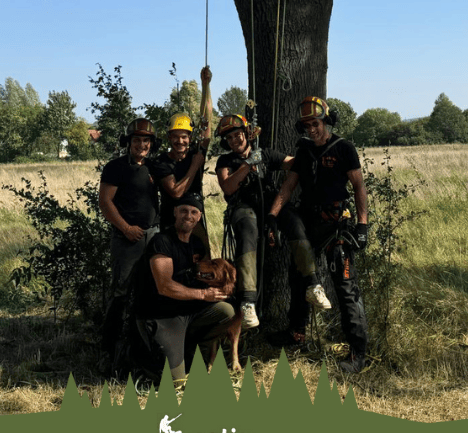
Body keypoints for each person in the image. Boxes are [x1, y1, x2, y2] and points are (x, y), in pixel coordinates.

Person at [268, 96, 369, 373]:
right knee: (298, 278)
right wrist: (272, 216)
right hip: (309, 222)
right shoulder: (305, 152)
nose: (311, 129)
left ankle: (357, 353)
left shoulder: (344, 148)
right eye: (306, 125)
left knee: (345, 288)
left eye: (315, 123)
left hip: (336, 224)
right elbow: (289, 186)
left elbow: (359, 187)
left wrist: (362, 225)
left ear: (326, 121)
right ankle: (296, 335)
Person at [215, 114, 330, 330]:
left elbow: (293, 164)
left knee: (295, 222)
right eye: (229, 138)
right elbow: (228, 187)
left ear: (247, 134)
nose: (234, 140)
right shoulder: (225, 161)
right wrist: (248, 164)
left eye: (237, 135)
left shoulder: (265, 154)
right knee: (248, 229)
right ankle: (248, 300)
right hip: (243, 207)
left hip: (269, 204)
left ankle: (313, 284)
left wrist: (307, 149)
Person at [135, 193, 236, 385]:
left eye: (193, 212)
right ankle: (144, 360)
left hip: (187, 312)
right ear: (175, 212)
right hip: (161, 315)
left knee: (226, 311)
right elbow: (165, 286)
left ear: (199, 217)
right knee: (177, 382)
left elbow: (203, 277)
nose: (188, 216)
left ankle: (192, 351)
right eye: (183, 211)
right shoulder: (162, 242)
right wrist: (203, 294)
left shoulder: (197, 244)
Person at [98, 118, 160, 366]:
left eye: (146, 141)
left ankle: (142, 352)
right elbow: (105, 202)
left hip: (153, 237)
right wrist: (125, 228)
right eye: (137, 140)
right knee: (120, 294)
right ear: (128, 142)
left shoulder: (154, 167)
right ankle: (108, 352)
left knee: (150, 293)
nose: (142, 145)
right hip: (126, 240)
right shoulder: (115, 167)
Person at [152, 67, 213, 250]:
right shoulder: (163, 162)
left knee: (201, 261)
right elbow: (176, 192)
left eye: (184, 137)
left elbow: (206, 121)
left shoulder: (196, 151)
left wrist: (206, 86)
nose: (180, 141)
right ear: (169, 138)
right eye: (176, 137)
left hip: (194, 218)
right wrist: (194, 167)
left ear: (190, 138)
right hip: (171, 221)